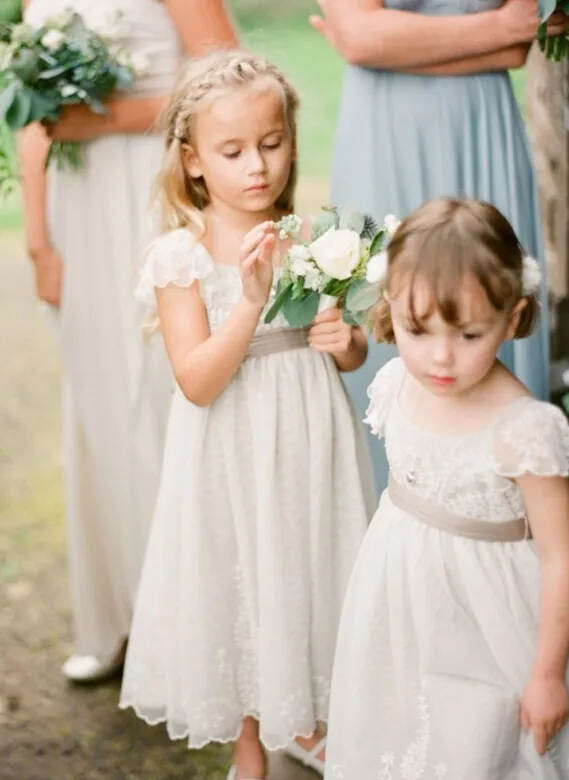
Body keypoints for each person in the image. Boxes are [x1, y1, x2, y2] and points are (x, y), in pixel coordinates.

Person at [118, 50, 375, 780]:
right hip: (229, 447)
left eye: (271, 143)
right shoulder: (181, 256)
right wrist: (254, 302)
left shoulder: (312, 239)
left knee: (305, 562)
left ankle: (315, 721)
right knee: (244, 574)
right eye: (231, 152)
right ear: (194, 162)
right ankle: (251, 745)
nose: (256, 167)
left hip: (305, 438)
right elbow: (197, 380)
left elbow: (342, 348)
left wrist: (347, 342)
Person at [19, 0, 238, 682]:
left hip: (151, 194)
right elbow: (33, 112)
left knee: (161, 402)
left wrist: (104, 118)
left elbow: (227, 82)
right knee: (100, 403)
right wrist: (37, 242)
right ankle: (115, 614)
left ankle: (195, 632)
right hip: (74, 206)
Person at [324, 197, 569, 780]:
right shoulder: (393, 386)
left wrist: (547, 674)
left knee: (480, 751)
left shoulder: (523, 429)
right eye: (417, 328)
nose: (439, 356)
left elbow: (562, 554)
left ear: (511, 320)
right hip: (400, 607)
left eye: (467, 334)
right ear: (391, 307)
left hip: (490, 621)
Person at [310, 0, 569, 493]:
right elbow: (361, 36)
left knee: (488, 307)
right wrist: (501, 29)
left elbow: (517, 51)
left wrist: (390, 43)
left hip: (480, 121)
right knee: (386, 322)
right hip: (386, 130)